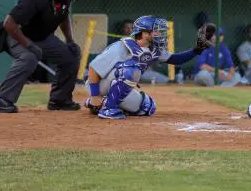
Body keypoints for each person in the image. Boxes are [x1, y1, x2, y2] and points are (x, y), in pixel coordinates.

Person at [0, 0, 81, 113]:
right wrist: (29, 45)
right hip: (17, 34)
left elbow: (63, 17)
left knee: (72, 54)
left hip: (42, 36)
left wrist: (70, 40)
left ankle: (59, 100)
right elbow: (9, 23)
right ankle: (2, 101)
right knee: (29, 57)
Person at [86, 17, 215, 119]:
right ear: (144, 33)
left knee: (147, 107)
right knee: (132, 70)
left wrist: (197, 50)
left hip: (119, 84)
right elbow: (93, 68)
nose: (160, 34)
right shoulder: (122, 46)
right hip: (98, 84)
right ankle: (108, 108)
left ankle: (101, 104)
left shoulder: (153, 49)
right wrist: (95, 94)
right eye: (156, 30)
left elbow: (176, 59)